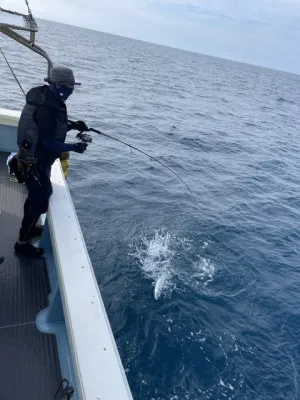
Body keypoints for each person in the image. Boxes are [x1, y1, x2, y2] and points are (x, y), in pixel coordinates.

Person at [14, 66, 89, 257]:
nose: (72, 90)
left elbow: (49, 128)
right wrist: (74, 147)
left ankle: (29, 229)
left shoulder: (46, 97)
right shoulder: (48, 107)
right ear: (57, 85)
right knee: (39, 203)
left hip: (33, 159)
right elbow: (48, 143)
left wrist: (73, 125)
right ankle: (22, 244)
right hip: (36, 162)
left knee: (34, 197)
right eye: (69, 86)